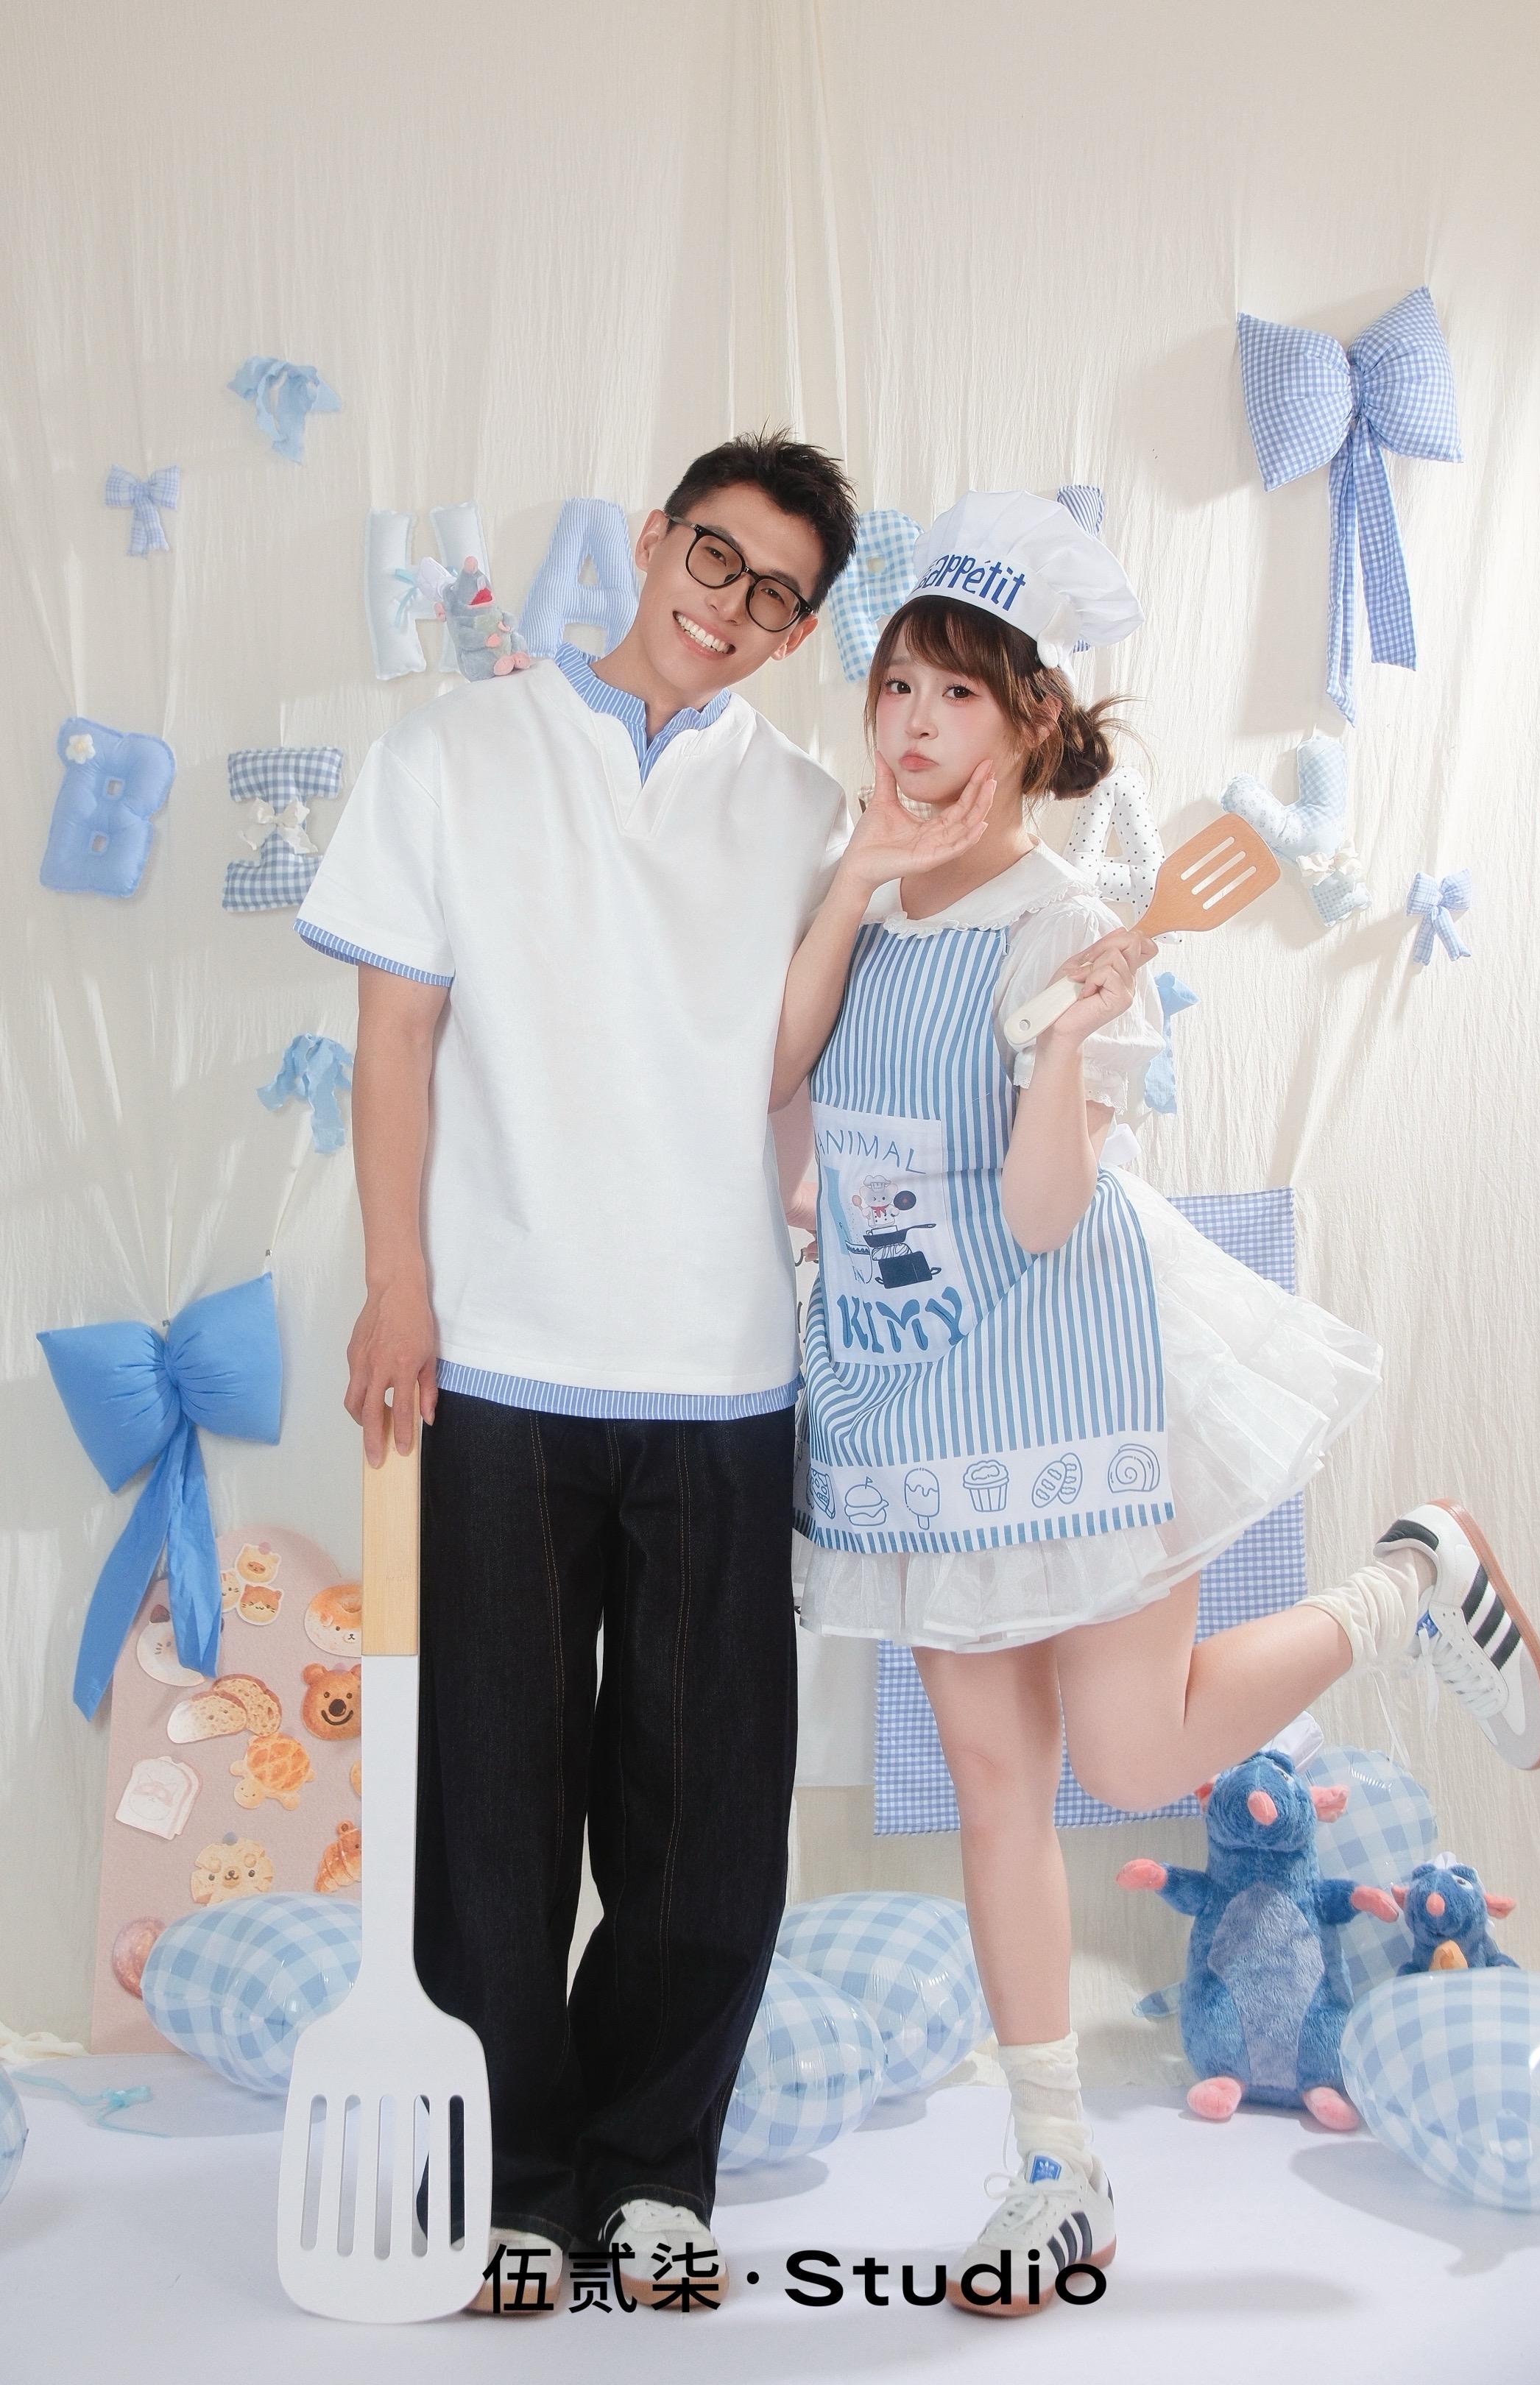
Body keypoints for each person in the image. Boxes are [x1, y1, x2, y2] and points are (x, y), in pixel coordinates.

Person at [773, 489, 1540, 2315]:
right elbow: (779, 1081)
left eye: (960, 694)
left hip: (1073, 1366)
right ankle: (1055, 2170)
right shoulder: (860, 889)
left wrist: (1067, 1040)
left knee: (1128, 1765)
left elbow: (1048, 1213)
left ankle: (1407, 1583)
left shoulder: (1068, 918)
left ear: (1033, 718)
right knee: (993, 1784)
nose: (915, 723)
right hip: (910, 1394)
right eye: (899, 684)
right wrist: (855, 881)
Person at [294, 433, 928, 2314]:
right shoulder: (452, 755)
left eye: (776, 596)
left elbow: (787, 1061)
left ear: (802, 631)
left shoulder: (803, 807)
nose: (729, 608)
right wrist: (395, 1284)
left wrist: (873, 875)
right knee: (492, 1800)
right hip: (493, 1353)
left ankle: (654, 2172)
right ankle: (510, 2180)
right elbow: (395, 1037)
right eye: (713, 558)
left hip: (724, 1368)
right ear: (652, 540)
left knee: (704, 1808)